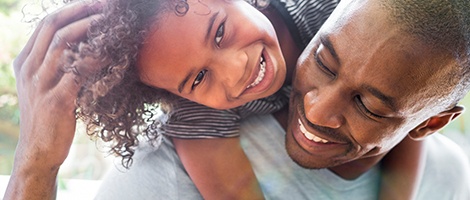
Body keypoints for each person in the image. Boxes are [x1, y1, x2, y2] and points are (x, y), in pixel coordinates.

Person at [3, 0, 433, 199]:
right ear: (174, 97)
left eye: (220, 32)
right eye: (198, 79)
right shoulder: (198, 117)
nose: (236, 72)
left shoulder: (336, 14)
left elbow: (412, 107)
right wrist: (37, 162)